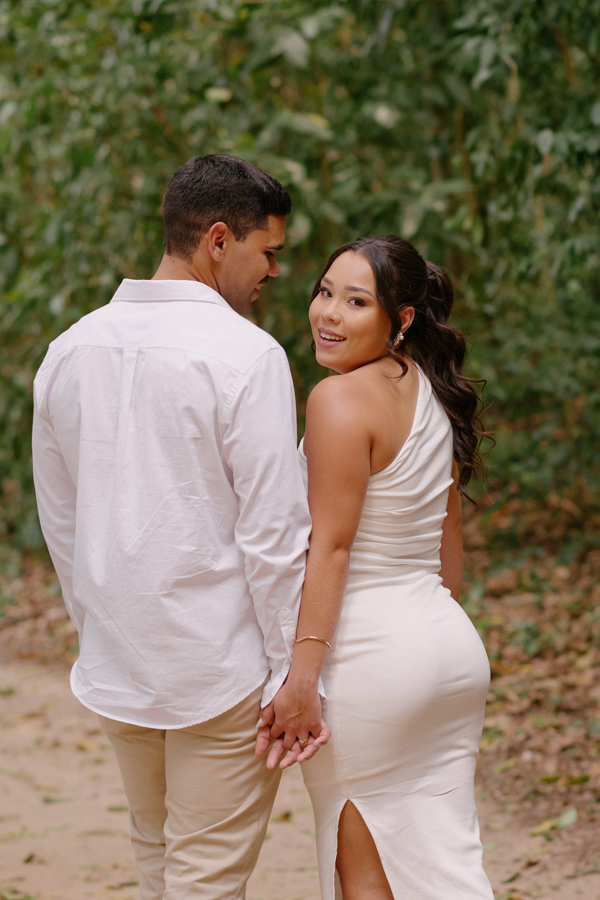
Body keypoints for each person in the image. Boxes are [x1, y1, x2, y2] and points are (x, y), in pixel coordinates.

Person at [32, 153, 328, 900]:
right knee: (204, 879)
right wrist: (288, 672)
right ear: (219, 241)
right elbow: (272, 532)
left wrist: (96, 629)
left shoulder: (69, 350)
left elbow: (62, 522)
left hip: (119, 661)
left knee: (158, 861)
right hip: (218, 669)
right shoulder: (248, 355)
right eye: (269, 251)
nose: (275, 271)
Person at [257, 235, 493, 899]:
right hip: (448, 650)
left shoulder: (337, 400)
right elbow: (449, 542)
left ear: (402, 318)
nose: (329, 313)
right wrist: (425, 636)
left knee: (366, 880)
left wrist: (302, 679)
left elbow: (331, 548)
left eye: (356, 301)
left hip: (370, 663)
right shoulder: (431, 390)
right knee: (444, 872)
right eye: (325, 292)